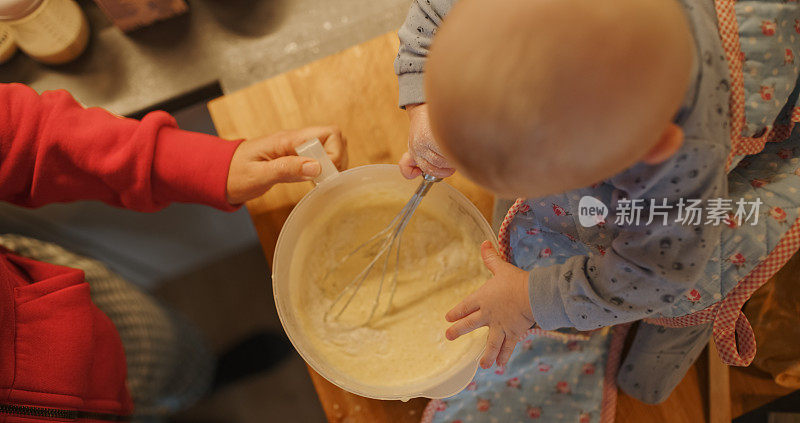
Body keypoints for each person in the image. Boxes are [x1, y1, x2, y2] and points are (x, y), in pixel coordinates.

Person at [394, 0, 800, 405]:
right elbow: (432, 13)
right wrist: (425, 108)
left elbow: (654, 273)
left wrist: (532, 298)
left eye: (543, 184)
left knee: (690, 295)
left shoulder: (675, 168)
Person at [0, 82, 347, 420]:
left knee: (171, 354)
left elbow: (22, 134)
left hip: (47, 300)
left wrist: (204, 164)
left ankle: (202, 379)